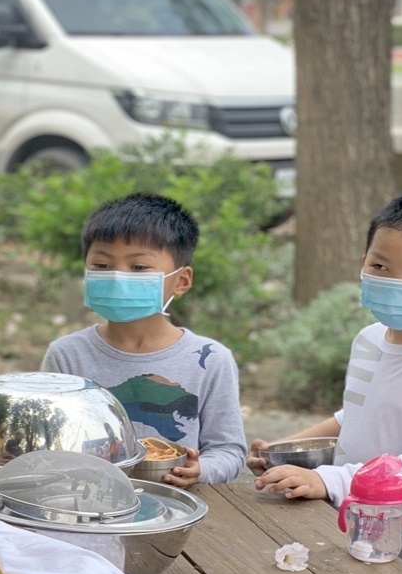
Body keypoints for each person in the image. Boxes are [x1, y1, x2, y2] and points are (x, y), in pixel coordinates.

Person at [249, 192, 402, 574]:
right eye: (381, 266)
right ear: (363, 265)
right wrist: (286, 449)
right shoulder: (369, 339)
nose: (396, 282)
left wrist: (331, 481)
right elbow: (357, 414)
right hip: (356, 540)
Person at [40, 193, 247, 486]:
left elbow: (228, 450)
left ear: (181, 280)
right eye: (101, 265)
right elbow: (48, 442)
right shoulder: (67, 355)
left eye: (138, 268)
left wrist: (201, 470)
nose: (116, 277)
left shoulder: (211, 359)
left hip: (178, 506)